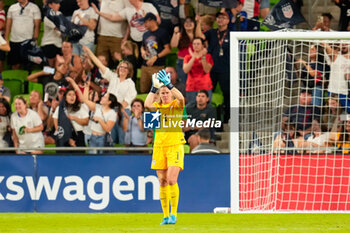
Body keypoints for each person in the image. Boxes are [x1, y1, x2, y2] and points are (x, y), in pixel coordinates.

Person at [144, 69, 186, 225]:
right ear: (159, 95)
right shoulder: (157, 108)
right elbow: (146, 104)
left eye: (167, 92)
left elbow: (181, 97)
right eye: (162, 93)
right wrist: (153, 88)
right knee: (162, 181)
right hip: (159, 147)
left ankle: (174, 214)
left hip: (175, 145)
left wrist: (169, 84)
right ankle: (166, 215)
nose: (165, 95)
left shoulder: (176, 106)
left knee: (171, 179)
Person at [83, 45, 136, 144]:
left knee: (122, 139)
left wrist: (115, 111)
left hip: (123, 112)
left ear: (129, 71)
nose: (123, 69)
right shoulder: (113, 77)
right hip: (109, 111)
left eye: (126, 68)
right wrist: (89, 52)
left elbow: (126, 102)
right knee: (109, 139)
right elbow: (99, 65)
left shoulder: (130, 84)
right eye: (121, 67)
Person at [67, 77, 118, 153]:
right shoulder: (97, 107)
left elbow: (107, 129)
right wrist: (87, 87)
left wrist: (100, 120)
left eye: (105, 97)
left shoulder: (112, 113)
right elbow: (84, 99)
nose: (102, 97)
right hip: (93, 137)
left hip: (103, 138)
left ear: (109, 102)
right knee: (92, 158)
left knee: (103, 159)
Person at [196, 11, 230, 123]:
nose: (220, 20)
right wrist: (199, 22)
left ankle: (227, 119)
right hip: (212, 68)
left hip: (226, 69)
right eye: (218, 18)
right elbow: (199, 37)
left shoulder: (231, 33)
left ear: (228, 20)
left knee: (227, 94)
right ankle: (205, 117)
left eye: (223, 18)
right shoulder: (212, 32)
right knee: (207, 93)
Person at [5, 0, 41, 69]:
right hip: (14, 41)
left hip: (28, 41)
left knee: (28, 65)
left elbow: (37, 26)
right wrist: (6, 39)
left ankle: (28, 78)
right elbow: (8, 24)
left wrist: (35, 40)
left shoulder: (34, 8)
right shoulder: (12, 7)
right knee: (14, 63)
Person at [140, 12, 171, 93]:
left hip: (158, 66)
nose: (144, 24)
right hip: (145, 65)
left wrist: (156, 57)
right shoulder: (145, 34)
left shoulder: (162, 33)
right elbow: (142, 46)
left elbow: (168, 49)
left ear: (152, 21)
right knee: (143, 90)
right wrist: (142, 51)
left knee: (158, 90)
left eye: (146, 22)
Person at [94, 0, 129, 66]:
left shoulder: (125, 1)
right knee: (100, 63)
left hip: (118, 37)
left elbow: (129, 20)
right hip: (102, 36)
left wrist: (126, 37)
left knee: (119, 62)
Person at [183, 37, 213, 104]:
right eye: (194, 44)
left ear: (202, 45)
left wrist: (203, 56)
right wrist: (193, 57)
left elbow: (207, 70)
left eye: (198, 44)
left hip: (205, 86)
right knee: (191, 109)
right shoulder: (187, 57)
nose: (196, 45)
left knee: (206, 108)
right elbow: (186, 70)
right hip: (191, 87)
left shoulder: (208, 56)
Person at [322, 42, 350, 113]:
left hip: (344, 92)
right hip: (332, 91)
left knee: (347, 113)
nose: (344, 45)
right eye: (342, 44)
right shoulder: (335, 56)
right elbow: (326, 46)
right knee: (331, 113)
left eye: (346, 44)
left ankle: (343, 120)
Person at [170, 17, 195, 84]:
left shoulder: (197, 35)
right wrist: (175, 33)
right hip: (182, 62)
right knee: (183, 83)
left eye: (190, 22)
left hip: (194, 62)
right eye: (186, 22)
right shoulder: (180, 35)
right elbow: (173, 45)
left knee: (194, 83)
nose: (188, 24)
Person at [41, 0, 63, 67]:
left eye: (59, 3)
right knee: (49, 66)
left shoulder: (60, 14)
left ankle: (53, 76)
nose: (58, 5)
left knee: (58, 66)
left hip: (59, 44)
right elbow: (58, 28)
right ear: (50, 5)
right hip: (49, 44)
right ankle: (47, 77)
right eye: (56, 3)